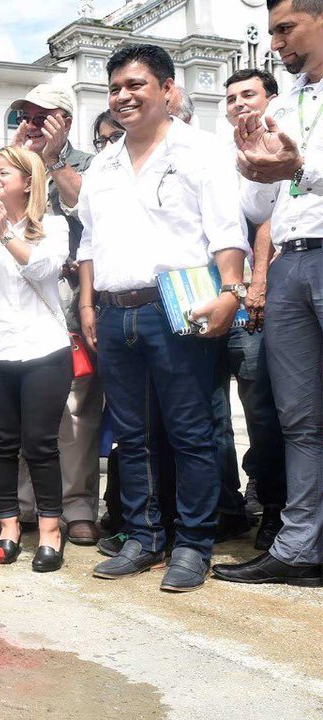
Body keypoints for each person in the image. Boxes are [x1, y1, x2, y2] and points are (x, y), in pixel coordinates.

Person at [78, 45, 248, 592]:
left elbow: (226, 231)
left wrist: (231, 292)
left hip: (178, 306)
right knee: (133, 434)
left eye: (135, 85)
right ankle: (144, 537)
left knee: (191, 431)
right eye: (115, 89)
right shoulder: (101, 165)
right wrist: (87, 306)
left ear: (167, 89)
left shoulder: (199, 151)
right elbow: (91, 243)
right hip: (114, 312)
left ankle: (193, 543)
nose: (124, 97)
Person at [215, 0, 323, 587]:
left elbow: (300, 174)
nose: (276, 42)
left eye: (287, 29)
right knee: (299, 418)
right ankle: (301, 548)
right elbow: (263, 207)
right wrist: (254, 165)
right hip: (290, 264)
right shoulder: (284, 106)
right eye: (274, 30)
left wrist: (297, 168)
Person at [0, 83, 102, 546]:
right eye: (26, 113)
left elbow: (82, 207)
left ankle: (77, 506)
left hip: (65, 293)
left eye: (43, 115)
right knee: (5, 431)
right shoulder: (11, 161)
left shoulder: (84, 160)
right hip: (7, 307)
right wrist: (18, 158)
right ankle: (19, 511)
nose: (33, 122)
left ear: (63, 118)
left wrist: (54, 158)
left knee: (72, 417)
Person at [0, 147, 72, 572]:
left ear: (27, 181)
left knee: (40, 445)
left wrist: (5, 231)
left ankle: (49, 531)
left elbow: (41, 268)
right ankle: (8, 528)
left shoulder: (53, 226)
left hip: (44, 349)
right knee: (0, 445)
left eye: (3, 172)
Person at [210, 68, 288, 551]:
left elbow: (266, 222)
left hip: (251, 303)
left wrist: (255, 285)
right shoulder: (218, 152)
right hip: (209, 296)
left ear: (271, 98)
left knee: (261, 408)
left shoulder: (282, 142)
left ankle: (275, 509)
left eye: (249, 95)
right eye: (232, 97)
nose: (239, 104)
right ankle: (226, 507)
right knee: (210, 410)